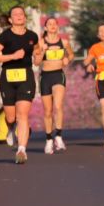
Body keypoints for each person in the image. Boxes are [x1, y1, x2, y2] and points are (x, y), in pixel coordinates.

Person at [0, 5, 42, 164]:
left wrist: (39, 57)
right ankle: (11, 128)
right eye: (15, 14)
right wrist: (12, 56)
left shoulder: (32, 36)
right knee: (11, 117)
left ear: (25, 18)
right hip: (8, 77)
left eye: (21, 14)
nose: (19, 16)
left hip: (26, 76)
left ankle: (21, 150)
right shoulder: (5, 36)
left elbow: (37, 56)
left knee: (22, 115)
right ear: (11, 20)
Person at [34, 17, 75, 154]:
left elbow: (71, 55)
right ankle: (48, 140)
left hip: (58, 75)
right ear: (45, 28)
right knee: (47, 111)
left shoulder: (64, 42)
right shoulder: (40, 43)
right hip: (45, 77)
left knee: (58, 106)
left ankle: (58, 136)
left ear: (58, 27)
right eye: (49, 24)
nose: (52, 26)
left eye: (54, 24)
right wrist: (43, 51)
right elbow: (36, 62)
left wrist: (67, 59)